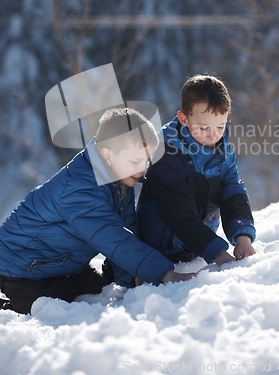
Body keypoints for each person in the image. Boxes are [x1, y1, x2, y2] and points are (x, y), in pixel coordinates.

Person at [0, 107, 195, 314]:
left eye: (147, 160)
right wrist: (164, 273)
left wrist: (135, 276)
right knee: (53, 310)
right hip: (23, 269)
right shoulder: (80, 189)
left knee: (98, 292)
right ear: (108, 155)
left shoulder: (119, 178)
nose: (143, 168)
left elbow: (128, 229)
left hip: (62, 265)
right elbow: (113, 238)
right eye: (135, 161)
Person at [137, 75, 256, 267]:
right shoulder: (165, 153)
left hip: (196, 250)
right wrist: (216, 251)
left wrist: (242, 236)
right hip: (161, 252)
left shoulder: (223, 152)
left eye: (220, 126)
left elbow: (233, 191)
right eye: (204, 128)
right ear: (183, 119)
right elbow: (177, 212)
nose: (214, 135)